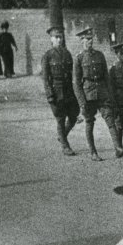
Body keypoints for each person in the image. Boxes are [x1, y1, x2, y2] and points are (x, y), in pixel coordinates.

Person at [73, 27, 123, 160]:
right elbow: (77, 83)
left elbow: (106, 78)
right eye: (87, 39)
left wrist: (110, 95)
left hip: (102, 92)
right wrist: (82, 102)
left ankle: (117, 148)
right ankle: (93, 152)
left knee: (110, 120)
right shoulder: (79, 58)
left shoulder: (99, 55)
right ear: (81, 41)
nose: (90, 41)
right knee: (89, 122)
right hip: (88, 95)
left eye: (91, 39)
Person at [42, 26, 79, 155]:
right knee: (60, 118)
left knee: (74, 116)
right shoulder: (47, 56)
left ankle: (62, 135)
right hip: (56, 91)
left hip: (68, 90)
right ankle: (65, 146)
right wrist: (49, 95)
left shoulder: (67, 53)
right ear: (51, 39)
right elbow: (46, 78)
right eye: (56, 37)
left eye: (60, 37)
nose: (59, 39)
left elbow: (70, 74)